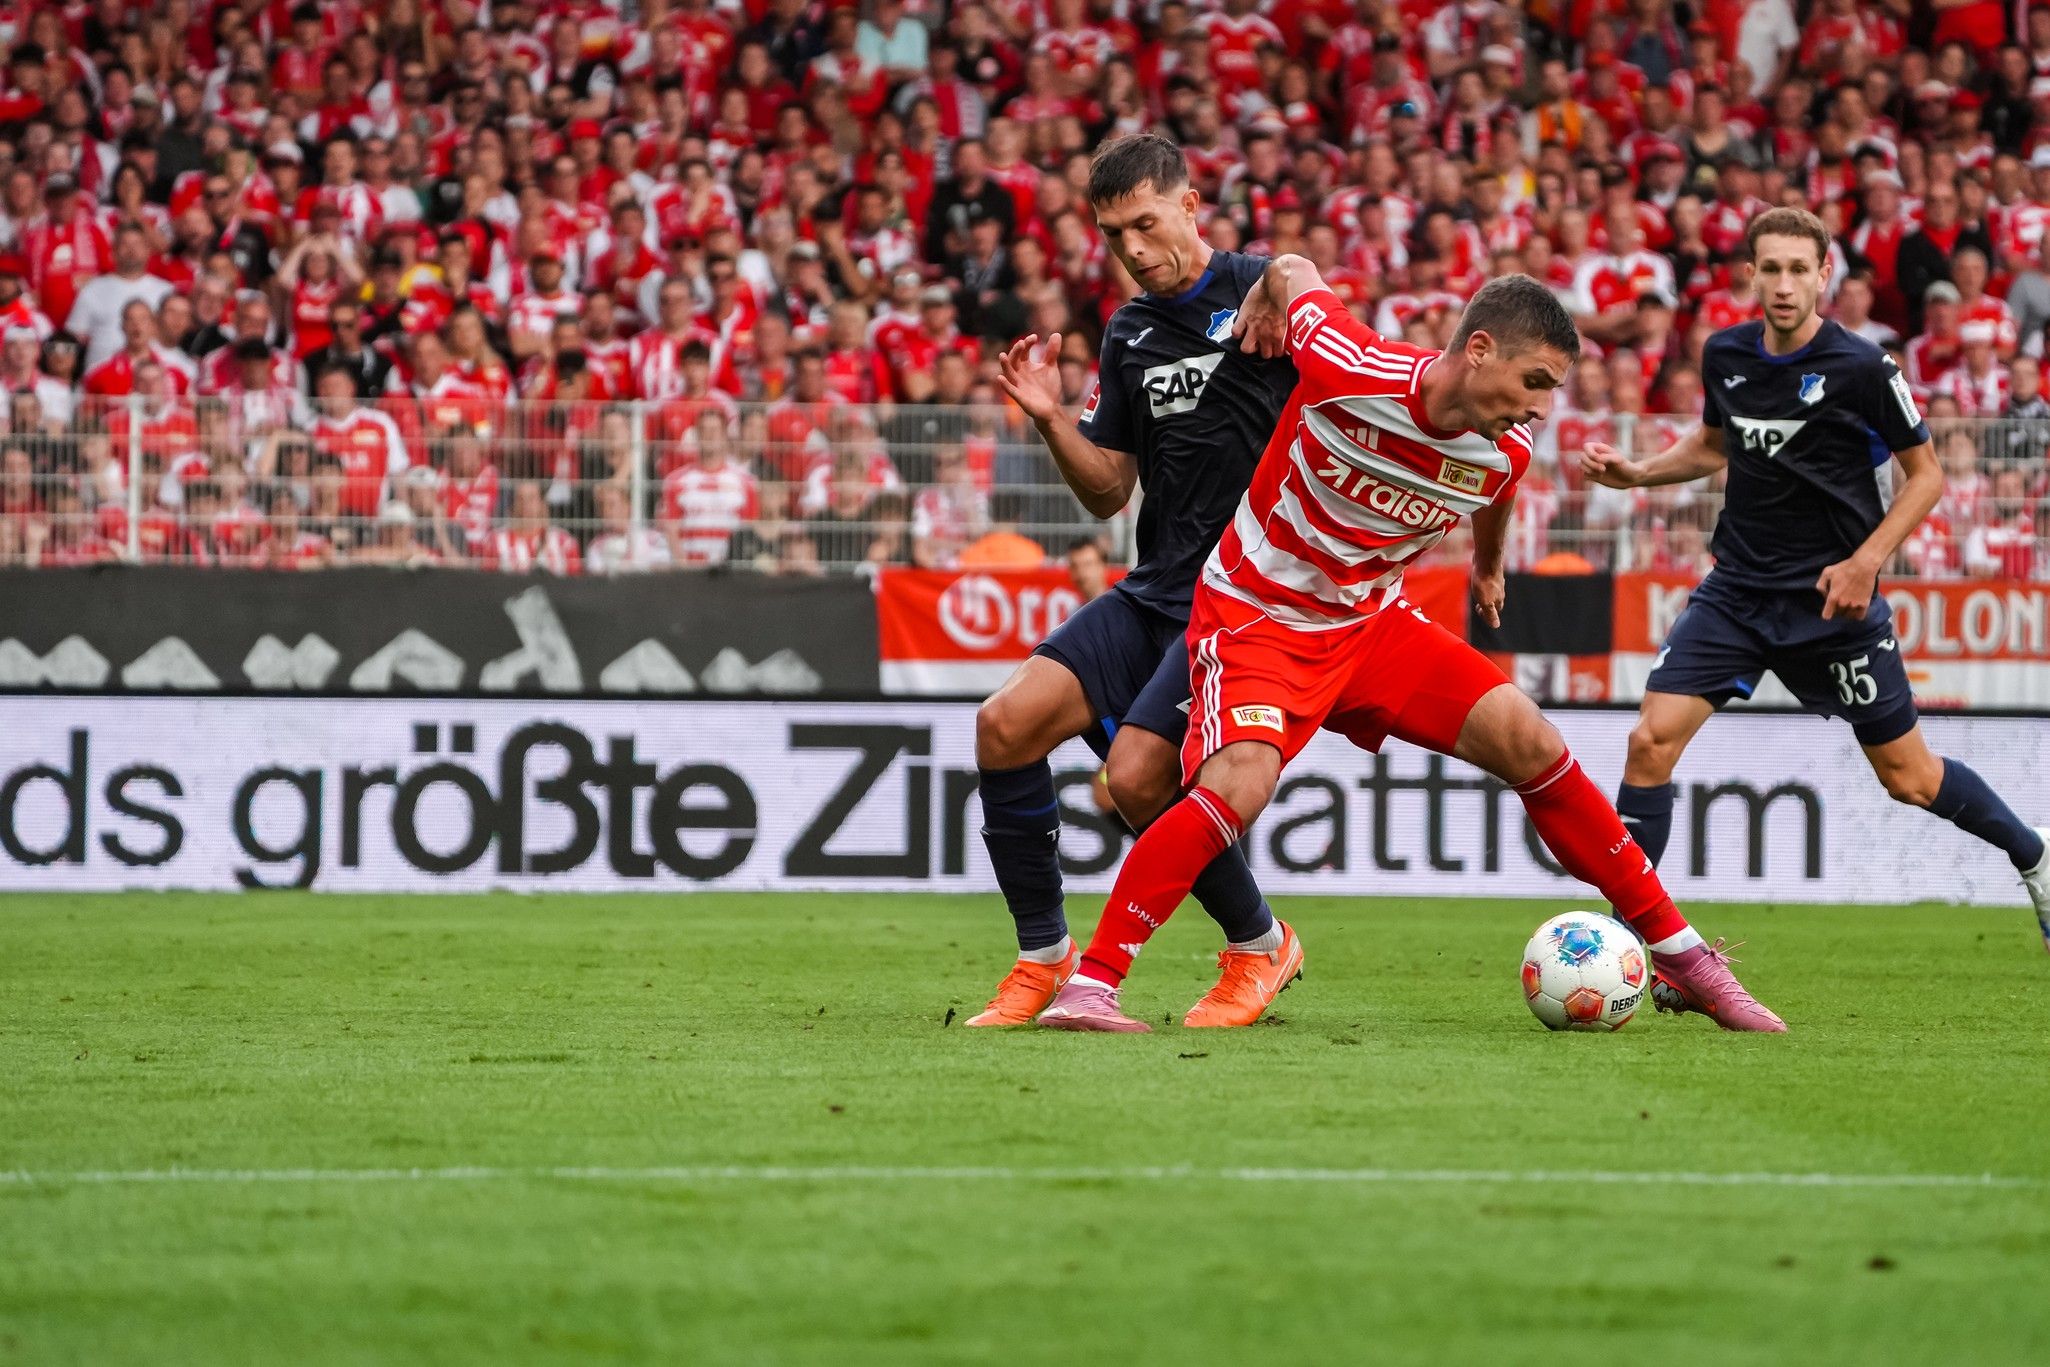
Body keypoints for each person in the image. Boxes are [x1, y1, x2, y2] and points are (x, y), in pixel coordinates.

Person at [1037, 262, 1784, 1033]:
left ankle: (1684, 955)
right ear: (1479, 349)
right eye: (1534, 380)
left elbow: (1495, 491)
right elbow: (1293, 269)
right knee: (1238, 784)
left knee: (1531, 740)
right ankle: (1093, 984)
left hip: (1369, 623)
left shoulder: (1507, 447)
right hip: (1261, 614)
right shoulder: (1349, 365)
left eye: (1552, 389)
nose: (1541, 406)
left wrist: (1488, 563)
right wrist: (1263, 295)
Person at [1582, 206, 2050, 958]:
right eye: (1770, 268)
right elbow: (1714, 444)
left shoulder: (1864, 368)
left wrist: (1867, 562)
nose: (1784, 284)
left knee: (1910, 777)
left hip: (1833, 604)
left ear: (1824, 275)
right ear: (1750, 275)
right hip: (1737, 593)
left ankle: (2035, 855)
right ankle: (1627, 939)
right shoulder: (1726, 353)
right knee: (1649, 742)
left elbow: (1927, 476)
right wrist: (1640, 472)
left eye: (1799, 269)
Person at [974, 134, 1296, 1031]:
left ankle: (1260, 944)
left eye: (1146, 224)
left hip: (1241, 601)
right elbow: (1109, 488)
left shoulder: (1264, 290)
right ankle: (1044, 957)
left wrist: (1284, 278)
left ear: (1191, 205)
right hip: (1154, 588)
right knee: (1004, 725)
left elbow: (1312, 302)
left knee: (1137, 783)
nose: (1133, 249)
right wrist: (1050, 418)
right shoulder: (1129, 331)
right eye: (1114, 234)